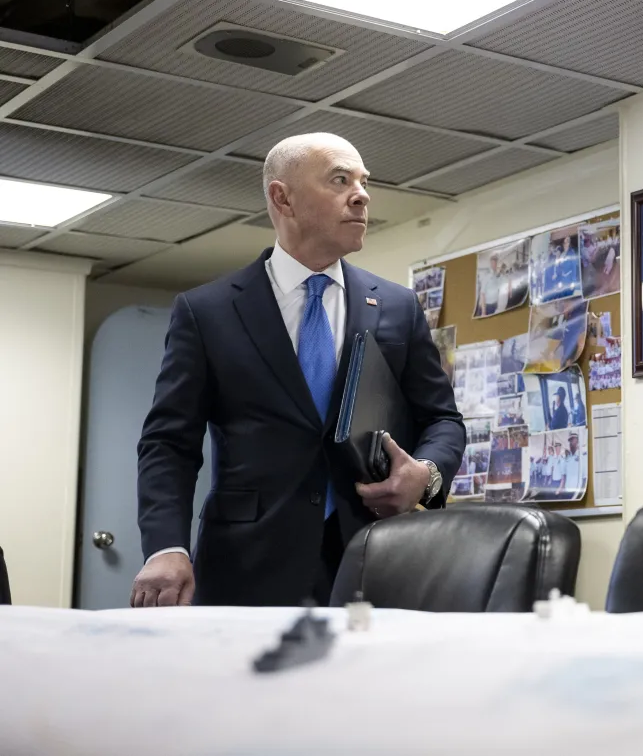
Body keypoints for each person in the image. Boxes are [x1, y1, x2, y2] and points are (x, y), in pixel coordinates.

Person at [131, 133, 466, 607]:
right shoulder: (207, 313)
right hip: (247, 565)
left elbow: (442, 420)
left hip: (376, 558)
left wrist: (427, 475)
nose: (362, 194)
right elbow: (169, 444)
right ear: (281, 197)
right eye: (339, 179)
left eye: (364, 182)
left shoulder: (397, 306)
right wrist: (167, 546)